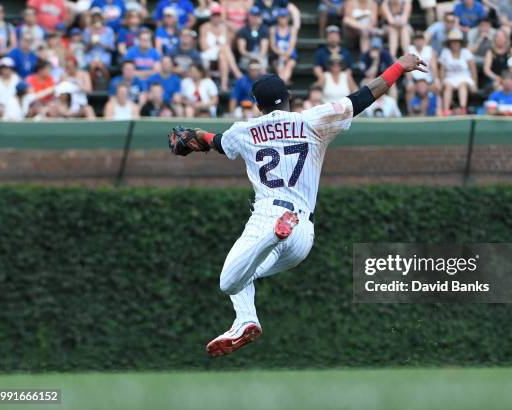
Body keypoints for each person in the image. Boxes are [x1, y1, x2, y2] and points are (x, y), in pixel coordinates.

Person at [166, 53, 427, 358]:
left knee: (228, 282)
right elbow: (364, 96)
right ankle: (245, 320)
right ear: (288, 97)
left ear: (256, 104)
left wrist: (192, 137)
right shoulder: (313, 120)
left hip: (269, 217)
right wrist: (400, 67)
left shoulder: (244, 131)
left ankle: (273, 237)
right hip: (303, 235)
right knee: (245, 273)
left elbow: (215, 141)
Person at [199, 2, 242, 91]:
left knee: (223, 54)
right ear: (211, 16)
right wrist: (218, 47)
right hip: (208, 54)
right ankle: (238, 74)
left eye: (218, 15)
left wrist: (227, 23)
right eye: (214, 15)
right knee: (224, 48)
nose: (216, 17)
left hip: (222, 54)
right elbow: (204, 47)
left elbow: (229, 44)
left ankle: (223, 85)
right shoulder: (204, 27)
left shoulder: (224, 28)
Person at [439, 29, 477, 115]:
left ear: (460, 43)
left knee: (462, 85)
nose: (455, 43)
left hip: (464, 77)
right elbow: (442, 70)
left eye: (457, 41)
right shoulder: (445, 52)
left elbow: (473, 69)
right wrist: (441, 82)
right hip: (450, 77)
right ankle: (446, 111)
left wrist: (474, 83)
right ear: (450, 43)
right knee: (448, 86)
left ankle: (463, 109)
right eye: (453, 42)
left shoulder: (466, 52)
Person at [269, 8, 298, 84]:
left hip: (289, 54)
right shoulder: (273, 29)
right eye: (281, 17)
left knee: (289, 64)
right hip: (277, 54)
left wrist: (286, 55)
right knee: (278, 66)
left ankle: (282, 82)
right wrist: (281, 54)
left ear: (288, 17)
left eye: (285, 16)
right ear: (278, 18)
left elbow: (291, 45)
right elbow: (273, 46)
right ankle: (284, 82)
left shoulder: (292, 29)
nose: (283, 19)